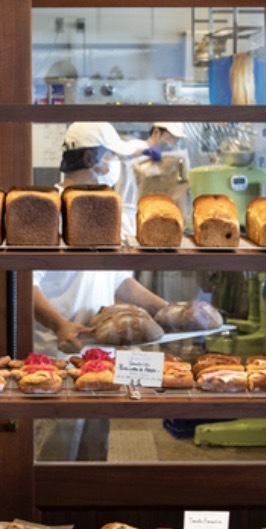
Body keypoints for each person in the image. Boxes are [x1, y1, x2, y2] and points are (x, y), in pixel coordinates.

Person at [33, 122, 169, 357]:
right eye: (112, 156)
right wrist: (59, 325)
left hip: (101, 352)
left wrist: (169, 312)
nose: (116, 164)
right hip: (56, 352)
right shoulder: (46, 210)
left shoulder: (104, 210)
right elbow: (24, 283)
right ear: (89, 158)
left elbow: (118, 282)